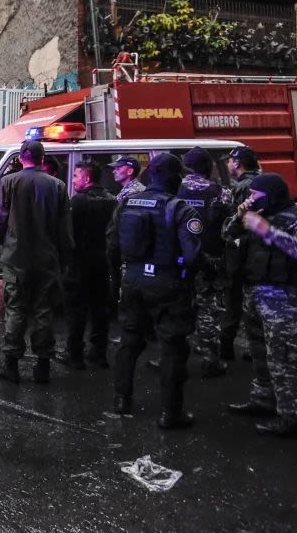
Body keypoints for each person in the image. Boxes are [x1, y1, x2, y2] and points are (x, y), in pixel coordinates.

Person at [225, 174, 297, 437]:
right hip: (256, 297)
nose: (250, 200)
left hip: (286, 303)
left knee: (286, 361)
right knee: (260, 354)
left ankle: (292, 417)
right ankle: (263, 400)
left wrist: (268, 232)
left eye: (255, 196)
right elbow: (227, 235)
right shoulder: (255, 213)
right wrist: (239, 218)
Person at [110, 153, 202, 430]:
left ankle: (121, 399)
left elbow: (113, 243)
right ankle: (170, 413)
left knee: (129, 340)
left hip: (133, 279)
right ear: (173, 177)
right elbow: (193, 255)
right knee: (173, 347)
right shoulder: (180, 208)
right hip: (167, 282)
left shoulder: (127, 202)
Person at [0, 140, 73, 384]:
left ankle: (10, 363)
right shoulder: (57, 185)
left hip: (16, 258)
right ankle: (42, 366)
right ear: (42, 158)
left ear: (22, 156)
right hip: (47, 259)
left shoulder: (8, 182)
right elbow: (64, 229)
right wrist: (65, 259)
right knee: (43, 311)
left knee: (16, 309)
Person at [56, 161, 117, 370]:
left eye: (75, 176)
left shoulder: (79, 201)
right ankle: (99, 353)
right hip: (102, 261)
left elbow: (68, 233)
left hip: (79, 263)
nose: (73, 180)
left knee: (76, 310)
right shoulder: (112, 199)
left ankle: (74, 354)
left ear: (87, 178)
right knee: (101, 310)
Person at [178, 147, 233, 378]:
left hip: (179, 258)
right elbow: (231, 228)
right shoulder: (221, 192)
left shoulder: (174, 189)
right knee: (208, 308)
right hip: (210, 259)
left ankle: (171, 357)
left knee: (176, 306)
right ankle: (210, 357)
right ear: (208, 167)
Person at [220, 146, 262, 361]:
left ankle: (226, 348)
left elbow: (233, 224)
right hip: (261, 253)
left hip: (241, 252)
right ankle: (255, 349)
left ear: (237, 162)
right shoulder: (266, 181)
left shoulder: (241, 186)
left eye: (228, 161)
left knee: (234, 301)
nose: (227, 165)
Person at [107, 156, 145, 313]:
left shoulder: (132, 193)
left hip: (130, 251)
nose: (114, 171)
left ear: (130, 171)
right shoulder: (129, 191)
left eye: (118, 167)